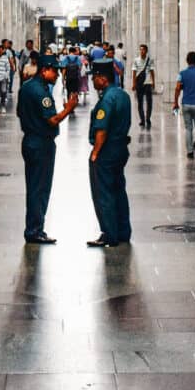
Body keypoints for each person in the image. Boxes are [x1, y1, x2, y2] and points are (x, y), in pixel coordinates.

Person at [17, 60, 78, 245]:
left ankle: (33, 227)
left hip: (29, 140)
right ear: (45, 70)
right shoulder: (41, 91)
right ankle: (35, 230)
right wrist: (68, 108)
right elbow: (52, 119)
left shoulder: (26, 87)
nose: (58, 76)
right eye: (55, 72)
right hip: (41, 143)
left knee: (33, 186)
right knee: (40, 188)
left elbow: (20, 112)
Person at [86, 53, 133, 248]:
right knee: (119, 190)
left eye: (94, 77)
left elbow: (102, 130)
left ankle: (109, 234)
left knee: (104, 193)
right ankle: (123, 232)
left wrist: (95, 153)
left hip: (107, 151)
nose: (92, 80)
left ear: (103, 79)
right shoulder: (123, 95)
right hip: (121, 149)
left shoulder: (106, 100)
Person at [130, 44, 155, 129]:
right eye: (140, 50)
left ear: (146, 51)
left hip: (148, 82)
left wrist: (153, 82)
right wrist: (133, 83)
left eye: (143, 50)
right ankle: (142, 119)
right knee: (140, 102)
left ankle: (148, 118)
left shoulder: (150, 60)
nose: (141, 51)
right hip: (139, 83)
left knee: (149, 102)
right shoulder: (136, 60)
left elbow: (152, 71)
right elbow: (134, 72)